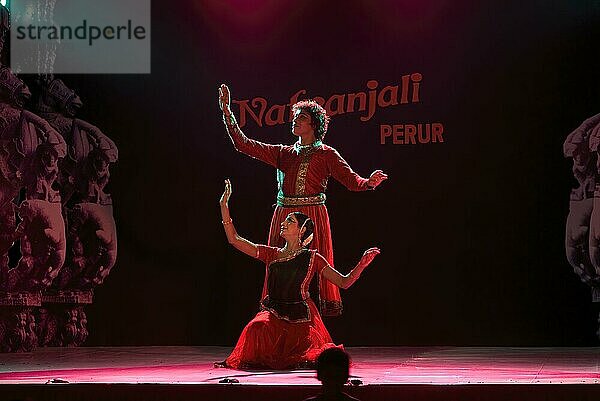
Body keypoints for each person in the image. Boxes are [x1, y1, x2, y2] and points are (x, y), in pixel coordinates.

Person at [219, 84, 387, 316]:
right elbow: (244, 144)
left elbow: (350, 180)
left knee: (316, 266)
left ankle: (308, 320)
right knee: (279, 265)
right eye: (295, 117)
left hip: (313, 214)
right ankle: (277, 316)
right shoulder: (283, 153)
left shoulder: (326, 154)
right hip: (284, 213)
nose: (295, 121)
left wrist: (368, 182)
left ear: (314, 125)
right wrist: (227, 112)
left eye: (302, 118)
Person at [218, 179, 379, 370]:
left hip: (302, 315)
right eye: (285, 221)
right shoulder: (272, 253)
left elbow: (344, 282)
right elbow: (234, 240)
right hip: (275, 312)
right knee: (255, 328)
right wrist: (224, 205)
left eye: (290, 221)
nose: (283, 224)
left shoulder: (313, 258)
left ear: (302, 231)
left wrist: (361, 265)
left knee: (306, 349)